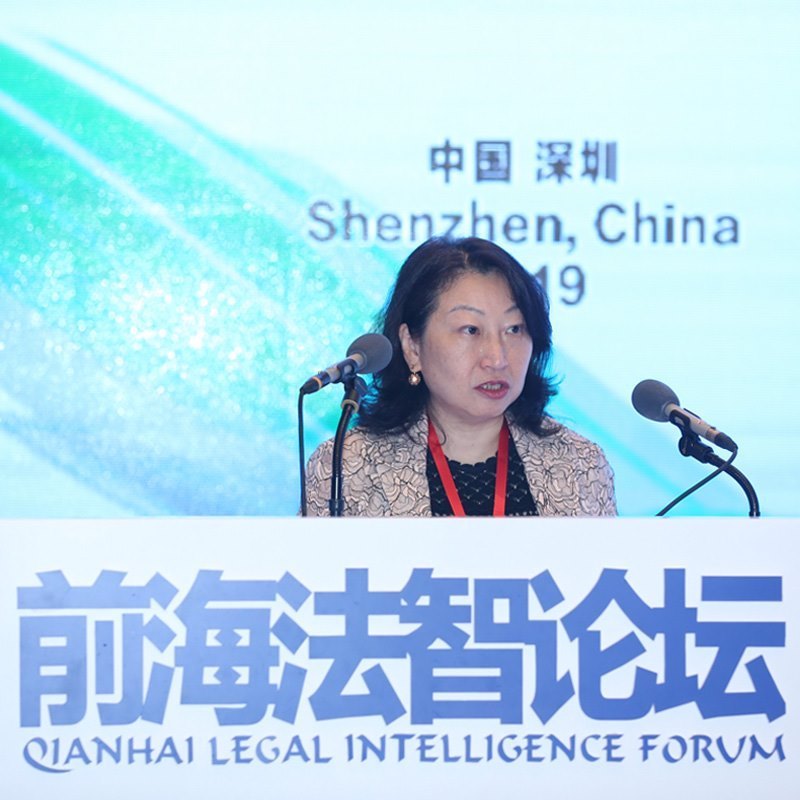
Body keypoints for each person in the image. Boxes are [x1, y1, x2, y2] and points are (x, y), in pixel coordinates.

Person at [305, 236, 616, 517]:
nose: (497, 358)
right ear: (412, 346)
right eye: (471, 330)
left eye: (514, 329)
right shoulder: (348, 467)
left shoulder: (579, 464)